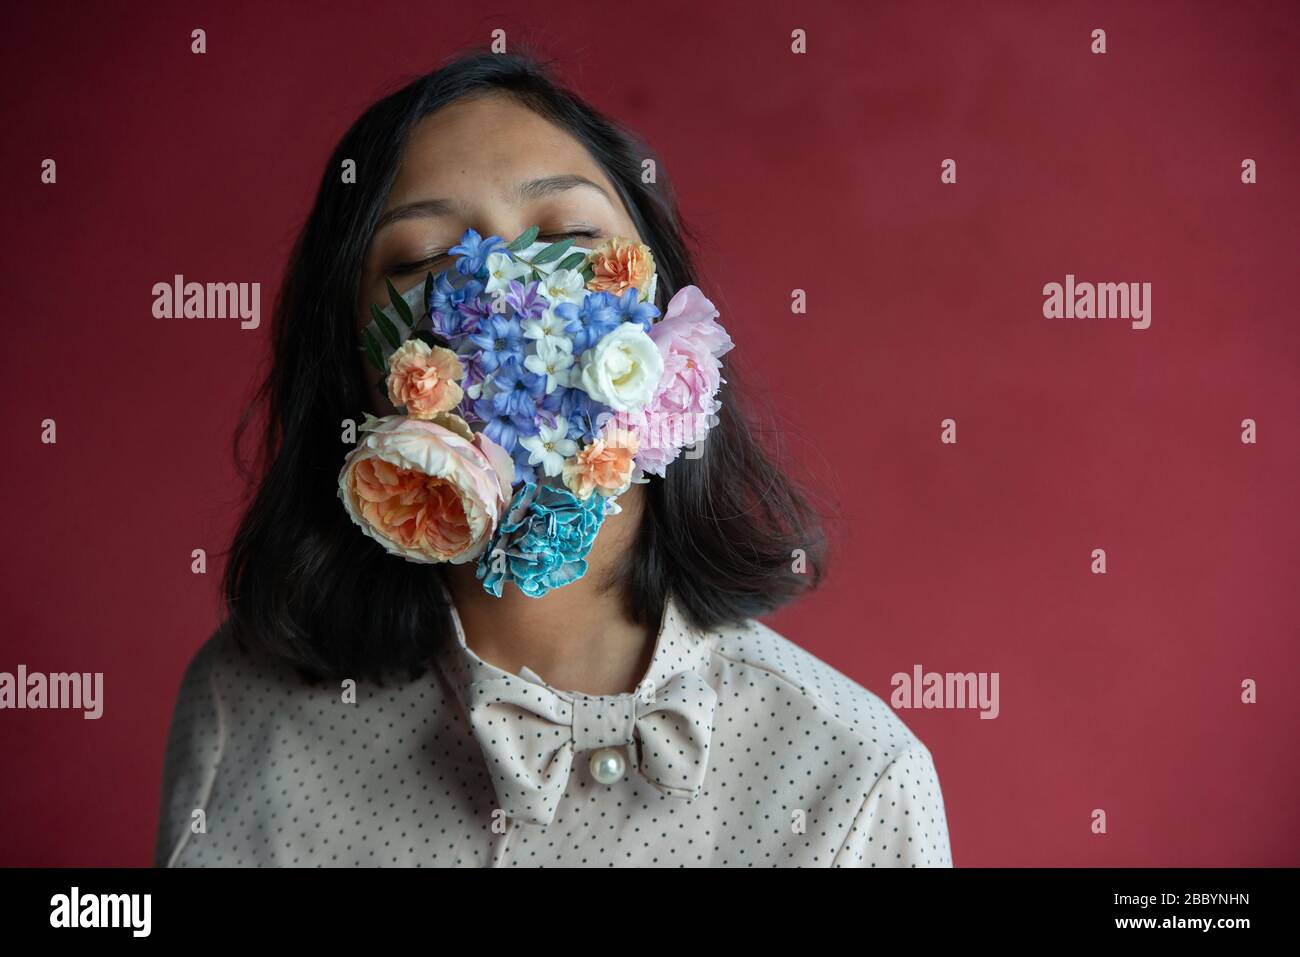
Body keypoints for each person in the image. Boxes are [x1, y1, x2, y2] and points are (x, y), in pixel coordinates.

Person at [153, 49, 952, 867]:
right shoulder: (239, 704)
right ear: (354, 365)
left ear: (665, 313)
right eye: (424, 258)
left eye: (570, 233)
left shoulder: (852, 777)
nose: (505, 282)